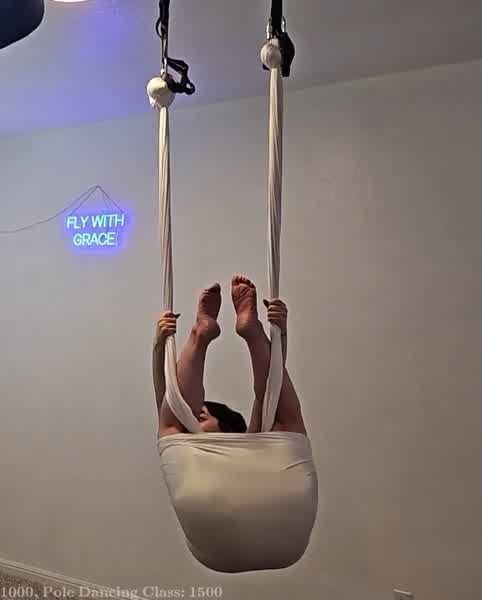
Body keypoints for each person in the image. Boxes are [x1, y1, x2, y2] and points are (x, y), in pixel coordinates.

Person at [153, 276, 307, 437]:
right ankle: (253, 332)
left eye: (199, 418)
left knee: (174, 423)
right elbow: (273, 390)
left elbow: (272, 396)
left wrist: (159, 343)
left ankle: (199, 334)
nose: (193, 422)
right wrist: (281, 334)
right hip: (263, 447)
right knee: (281, 421)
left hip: (205, 448)